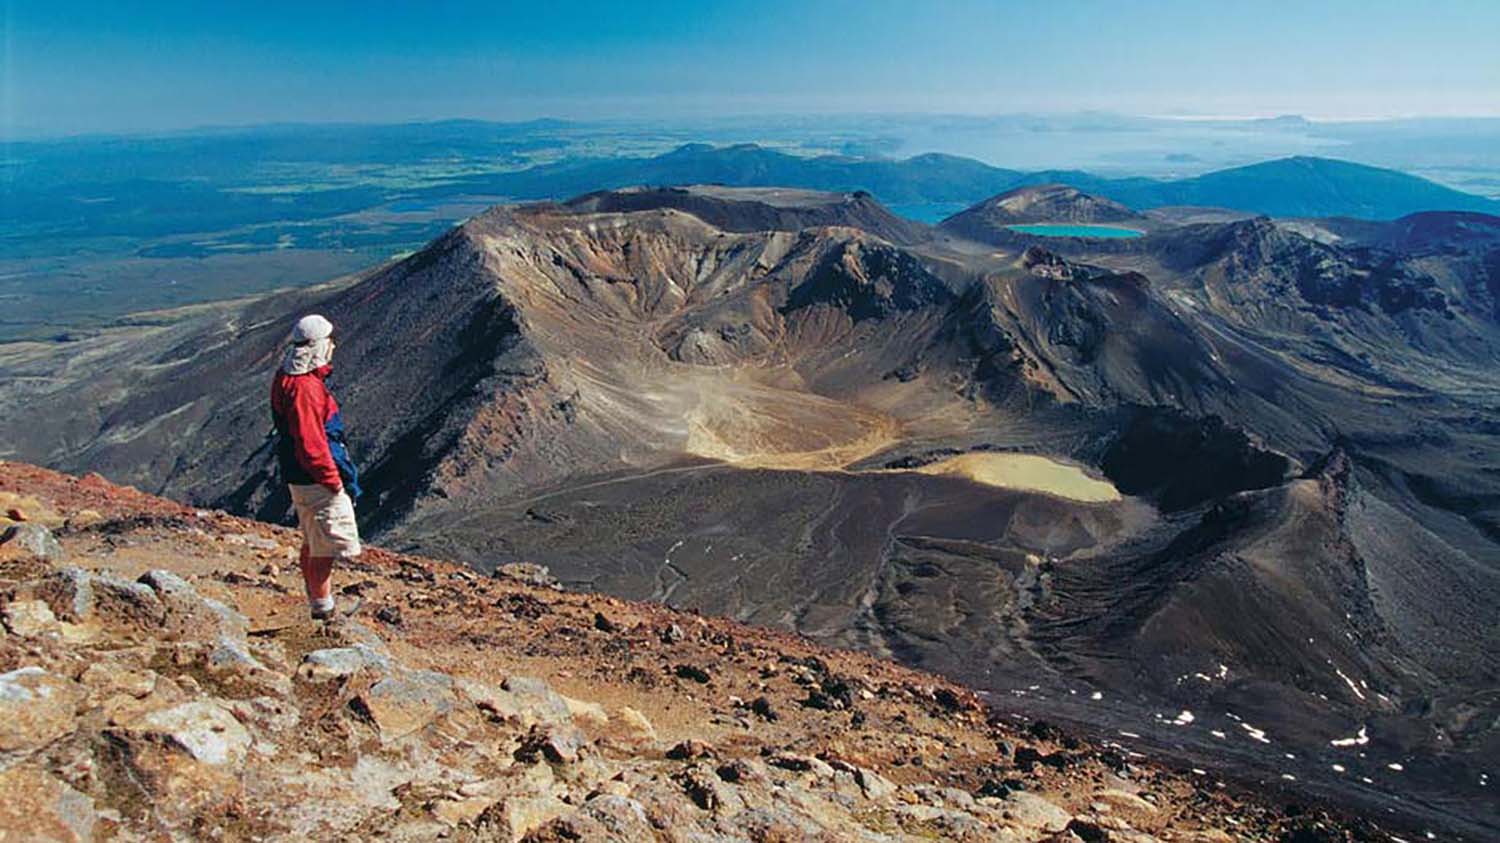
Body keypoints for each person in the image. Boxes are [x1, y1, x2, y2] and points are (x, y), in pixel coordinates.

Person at [270, 314, 363, 620]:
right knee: (325, 545)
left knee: (313, 539)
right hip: (315, 476)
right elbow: (312, 443)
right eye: (329, 341)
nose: (333, 346)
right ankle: (324, 610)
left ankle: (318, 601)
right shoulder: (306, 388)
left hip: (298, 473)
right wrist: (333, 481)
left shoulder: (286, 378)